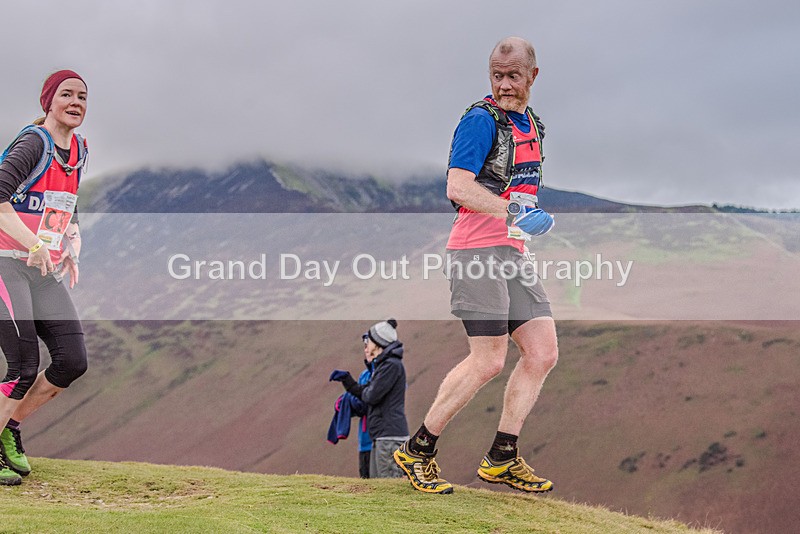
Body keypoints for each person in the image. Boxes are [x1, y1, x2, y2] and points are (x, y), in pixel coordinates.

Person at [393, 37, 559, 495]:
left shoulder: (534, 126)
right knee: (487, 361)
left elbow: (519, 190)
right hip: (475, 254)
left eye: (513, 76)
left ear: (533, 76)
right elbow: (458, 186)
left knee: (543, 352)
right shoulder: (479, 121)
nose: (504, 85)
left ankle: (502, 456)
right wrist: (512, 213)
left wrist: (526, 223)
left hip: (511, 254)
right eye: (496, 76)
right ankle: (418, 450)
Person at [0, 70, 90, 486]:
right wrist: (33, 244)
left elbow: (62, 203)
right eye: (66, 95)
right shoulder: (33, 142)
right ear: (48, 102)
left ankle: (8, 429)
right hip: (6, 261)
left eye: (82, 97)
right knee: (22, 366)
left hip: (42, 268)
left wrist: (69, 238)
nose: (76, 102)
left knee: (72, 361)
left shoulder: (80, 150)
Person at [331, 319, 408, 478]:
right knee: (377, 486)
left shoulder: (390, 366)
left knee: (388, 487)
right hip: (380, 436)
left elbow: (370, 396)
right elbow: (366, 393)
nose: (367, 346)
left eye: (370, 341)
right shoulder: (384, 366)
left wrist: (358, 394)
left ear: (378, 342)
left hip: (389, 436)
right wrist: (348, 382)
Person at [327, 341, 374, 478]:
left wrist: (349, 394)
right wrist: (344, 404)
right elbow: (360, 406)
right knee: (366, 484)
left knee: (381, 486)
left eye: (369, 346)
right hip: (364, 441)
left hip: (379, 440)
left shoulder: (383, 374)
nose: (366, 350)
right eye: (365, 347)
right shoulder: (364, 375)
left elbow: (368, 402)